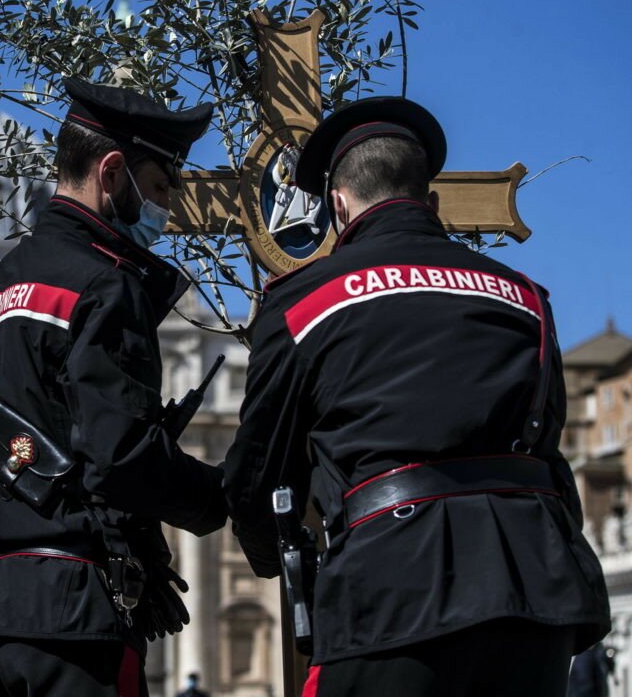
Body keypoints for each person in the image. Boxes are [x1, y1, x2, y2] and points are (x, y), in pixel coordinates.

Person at [220, 96, 610, 697]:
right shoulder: (526, 298)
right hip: (534, 590)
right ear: (429, 202)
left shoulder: (301, 304)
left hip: (388, 589)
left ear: (339, 206)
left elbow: (257, 470)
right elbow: (548, 446)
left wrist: (269, 554)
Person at [0, 78, 228, 695]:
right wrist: (220, 493)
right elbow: (120, 458)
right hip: (76, 615)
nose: (166, 210)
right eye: (160, 187)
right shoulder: (102, 284)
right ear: (113, 174)